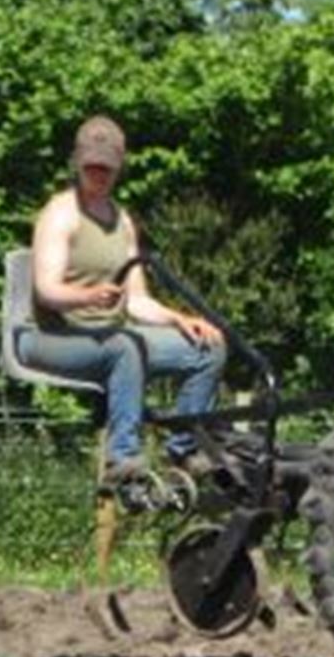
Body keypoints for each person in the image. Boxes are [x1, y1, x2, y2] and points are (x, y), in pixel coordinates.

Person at [24, 115, 226, 489]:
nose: (99, 174)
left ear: (118, 168)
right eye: (92, 167)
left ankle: (184, 449)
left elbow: (136, 300)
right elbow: (46, 291)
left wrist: (179, 319)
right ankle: (123, 459)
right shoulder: (60, 214)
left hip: (112, 335)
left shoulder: (122, 221)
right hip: (53, 336)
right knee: (125, 348)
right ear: (78, 163)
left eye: (106, 168)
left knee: (209, 348)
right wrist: (86, 296)